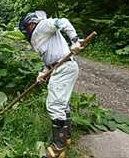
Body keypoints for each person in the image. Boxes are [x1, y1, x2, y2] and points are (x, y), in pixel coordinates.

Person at [19, 10, 83, 158]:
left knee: (55, 105)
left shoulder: (42, 26)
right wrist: (43, 72)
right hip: (58, 68)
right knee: (62, 104)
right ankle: (65, 138)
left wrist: (75, 40)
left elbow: (63, 22)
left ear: (32, 23)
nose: (26, 31)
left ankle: (58, 149)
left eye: (27, 27)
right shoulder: (39, 39)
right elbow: (49, 59)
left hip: (64, 67)